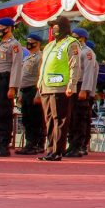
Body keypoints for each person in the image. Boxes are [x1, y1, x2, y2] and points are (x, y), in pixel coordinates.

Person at [37, 16, 81, 161]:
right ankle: (50, 149)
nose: (54, 29)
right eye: (52, 26)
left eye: (56, 26)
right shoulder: (49, 46)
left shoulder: (71, 43)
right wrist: (39, 83)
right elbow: (43, 66)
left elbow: (74, 65)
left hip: (61, 87)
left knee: (59, 120)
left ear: (63, 27)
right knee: (48, 119)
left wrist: (71, 85)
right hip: (46, 86)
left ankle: (57, 150)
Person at [0, 18, 22, 157]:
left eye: (1, 27)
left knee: (3, 113)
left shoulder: (14, 45)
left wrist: (12, 87)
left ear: (8, 28)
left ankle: (3, 145)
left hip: (5, 81)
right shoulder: (0, 45)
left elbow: (16, 66)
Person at [66, 27, 96, 158]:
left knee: (79, 118)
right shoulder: (73, 51)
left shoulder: (87, 52)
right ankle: (71, 145)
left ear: (82, 38)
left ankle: (78, 146)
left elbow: (89, 73)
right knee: (71, 118)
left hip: (81, 86)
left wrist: (85, 90)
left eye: (74, 36)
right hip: (72, 86)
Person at [15, 33, 45, 155]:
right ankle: (29, 143)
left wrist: (38, 94)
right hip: (25, 90)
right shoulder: (27, 57)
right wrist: (20, 94)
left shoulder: (40, 57)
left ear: (37, 43)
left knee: (35, 119)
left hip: (34, 90)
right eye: (28, 40)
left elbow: (40, 77)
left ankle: (37, 144)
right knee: (27, 119)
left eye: (31, 41)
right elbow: (22, 77)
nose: (28, 43)